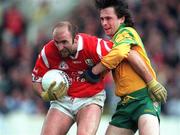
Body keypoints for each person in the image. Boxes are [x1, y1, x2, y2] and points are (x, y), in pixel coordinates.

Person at [32, 21, 161, 135]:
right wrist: (43, 95)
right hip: (62, 100)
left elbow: (129, 53)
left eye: (64, 42)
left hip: (90, 99)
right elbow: (36, 80)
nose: (60, 47)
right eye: (56, 42)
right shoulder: (48, 51)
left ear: (75, 39)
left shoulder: (94, 46)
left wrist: (151, 81)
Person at [82, 0, 167, 135]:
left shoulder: (126, 32)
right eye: (102, 19)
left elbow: (122, 53)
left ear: (121, 19)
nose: (104, 23)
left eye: (109, 18)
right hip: (125, 103)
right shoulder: (112, 42)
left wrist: (94, 71)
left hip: (144, 98)